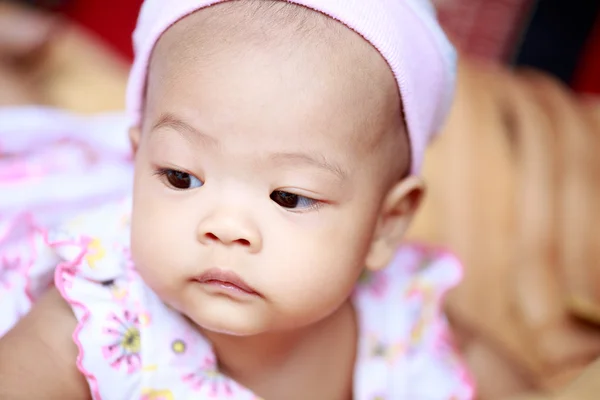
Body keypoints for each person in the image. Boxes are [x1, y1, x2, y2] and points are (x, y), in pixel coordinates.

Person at [0, 0, 475, 399]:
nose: (225, 226)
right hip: (31, 198)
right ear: (141, 158)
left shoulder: (407, 310)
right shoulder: (98, 319)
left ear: (386, 223)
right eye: (180, 178)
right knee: (29, 136)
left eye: (289, 197)